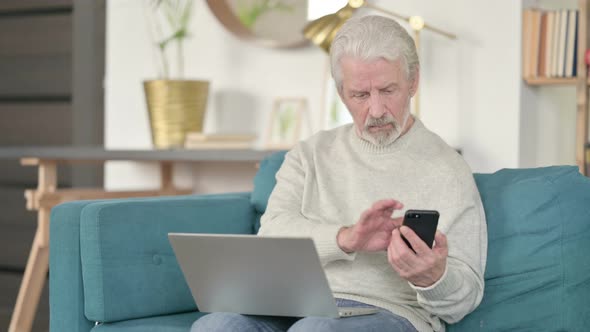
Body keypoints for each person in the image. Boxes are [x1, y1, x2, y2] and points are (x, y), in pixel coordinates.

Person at [192, 15, 487, 332]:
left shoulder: (447, 169)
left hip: (389, 312)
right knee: (216, 325)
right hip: (291, 304)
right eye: (360, 95)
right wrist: (347, 239)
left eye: (388, 90)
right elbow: (272, 237)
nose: (375, 111)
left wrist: (432, 277)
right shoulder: (310, 155)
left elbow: (465, 298)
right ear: (342, 92)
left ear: (413, 81)